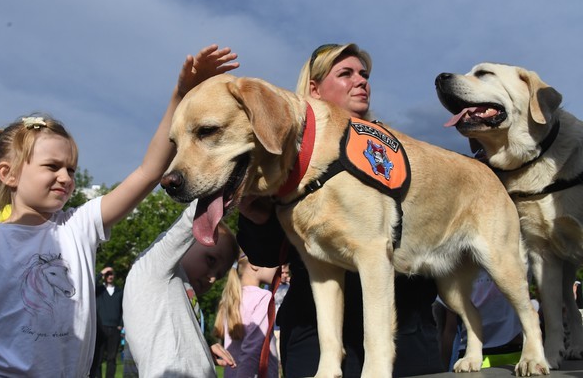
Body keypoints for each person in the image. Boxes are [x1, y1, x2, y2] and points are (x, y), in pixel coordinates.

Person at [0, 45, 240, 377]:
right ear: (9, 173)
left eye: (72, 169)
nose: (65, 178)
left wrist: (180, 96)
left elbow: (149, 172)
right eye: (52, 166)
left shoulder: (78, 226)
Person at [237, 43, 444, 377]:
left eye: (364, 74)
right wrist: (257, 217)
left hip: (405, 333)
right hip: (316, 339)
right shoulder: (284, 158)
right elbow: (266, 256)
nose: (360, 81)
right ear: (315, 89)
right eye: (345, 74)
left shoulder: (397, 151)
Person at [123, 201, 239, 377]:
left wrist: (202, 352)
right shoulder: (155, 267)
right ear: (190, 239)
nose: (213, 277)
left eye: (219, 275)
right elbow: (194, 214)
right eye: (211, 260)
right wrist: (216, 196)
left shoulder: (182, 293)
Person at [437, 269, 523, 370]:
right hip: (472, 357)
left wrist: (444, 368)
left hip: (506, 351)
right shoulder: (512, 265)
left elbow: (450, 328)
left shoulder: (455, 271)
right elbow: (451, 328)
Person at [213, 252, 279, 378]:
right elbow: (252, 348)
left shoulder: (232, 298)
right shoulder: (264, 297)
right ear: (255, 265)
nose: (278, 267)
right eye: (273, 261)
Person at [90, 266, 124, 378]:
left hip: (115, 329)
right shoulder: (99, 290)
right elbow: (91, 284)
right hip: (100, 329)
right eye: (107, 274)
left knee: (112, 358)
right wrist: (101, 272)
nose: (110, 276)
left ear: (114, 276)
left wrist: (120, 324)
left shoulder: (120, 292)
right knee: (98, 359)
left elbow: (124, 309)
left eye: (111, 274)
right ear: (105, 276)